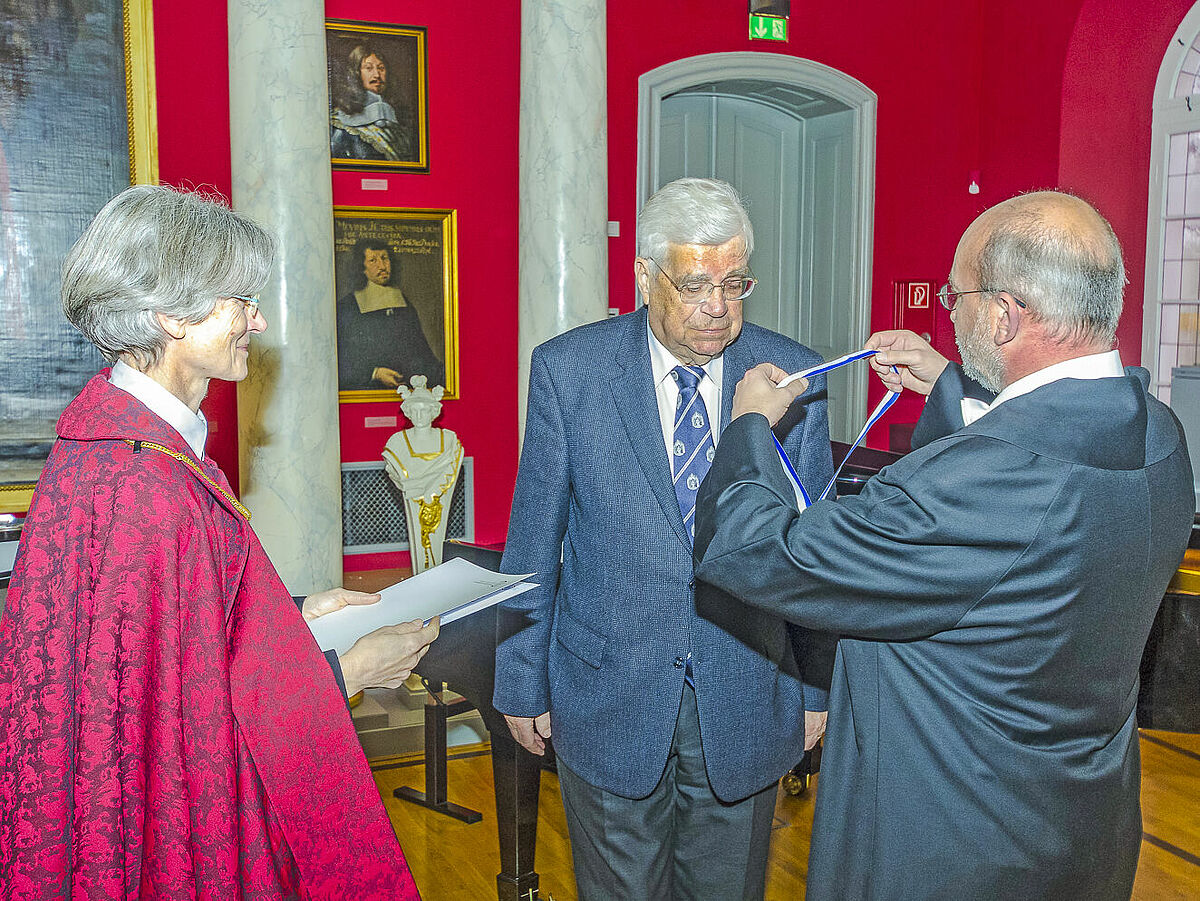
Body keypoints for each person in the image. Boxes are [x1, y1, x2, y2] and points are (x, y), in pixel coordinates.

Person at [694, 190, 1194, 900]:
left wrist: (746, 427)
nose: (948, 310)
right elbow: (1029, 500)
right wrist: (954, 387)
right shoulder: (1158, 435)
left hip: (951, 842)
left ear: (1005, 314)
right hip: (1083, 827)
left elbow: (754, 547)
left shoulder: (979, 483)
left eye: (954, 294)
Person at [0, 185, 439, 897]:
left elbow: (179, 647)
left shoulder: (124, 445)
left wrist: (293, 616)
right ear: (172, 312)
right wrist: (350, 672)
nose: (257, 320)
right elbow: (188, 734)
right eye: (240, 299)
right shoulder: (149, 487)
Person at [494, 177, 836, 900]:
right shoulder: (570, 371)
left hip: (746, 697)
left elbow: (815, 559)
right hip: (606, 696)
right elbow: (534, 542)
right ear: (645, 275)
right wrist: (520, 681)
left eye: (735, 281)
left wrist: (816, 686)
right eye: (695, 284)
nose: (719, 305)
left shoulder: (791, 377)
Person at [337, 237, 445, 391]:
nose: (382, 266)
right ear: (361, 267)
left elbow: (421, 352)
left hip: (407, 387)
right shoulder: (347, 307)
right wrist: (375, 373)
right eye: (373, 260)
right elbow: (342, 363)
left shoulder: (403, 302)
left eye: (384, 258)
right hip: (370, 390)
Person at [383, 375, 464, 572]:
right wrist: (414, 485)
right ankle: (421, 575)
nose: (420, 416)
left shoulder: (449, 439)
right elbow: (396, 472)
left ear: (433, 411)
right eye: (415, 411)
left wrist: (431, 489)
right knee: (418, 540)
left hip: (437, 498)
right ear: (408, 413)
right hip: (414, 497)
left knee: (436, 536)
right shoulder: (397, 442)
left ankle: (434, 576)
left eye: (424, 411)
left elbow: (453, 463)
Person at [330, 43, 414, 162]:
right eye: (368, 68)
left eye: (381, 68)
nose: (377, 75)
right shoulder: (341, 125)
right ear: (356, 73)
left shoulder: (397, 120)